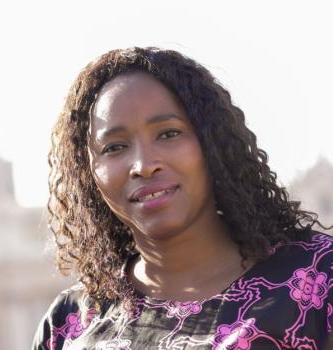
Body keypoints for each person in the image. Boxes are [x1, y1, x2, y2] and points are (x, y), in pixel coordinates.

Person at [32, 47, 333, 349]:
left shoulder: (318, 279)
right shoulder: (66, 324)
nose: (144, 165)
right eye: (114, 147)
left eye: (168, 134)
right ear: (90, 173)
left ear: (212, 142)